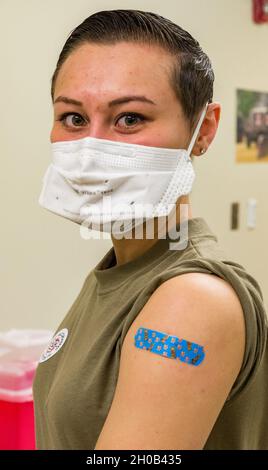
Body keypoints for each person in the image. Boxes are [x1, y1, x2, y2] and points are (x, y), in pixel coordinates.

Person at [32, 9, 268, 450]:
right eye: (74, 119)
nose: (89, 151)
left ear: (204, 130)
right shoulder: (120, 270)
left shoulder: (192, 300)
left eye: (129, 119)